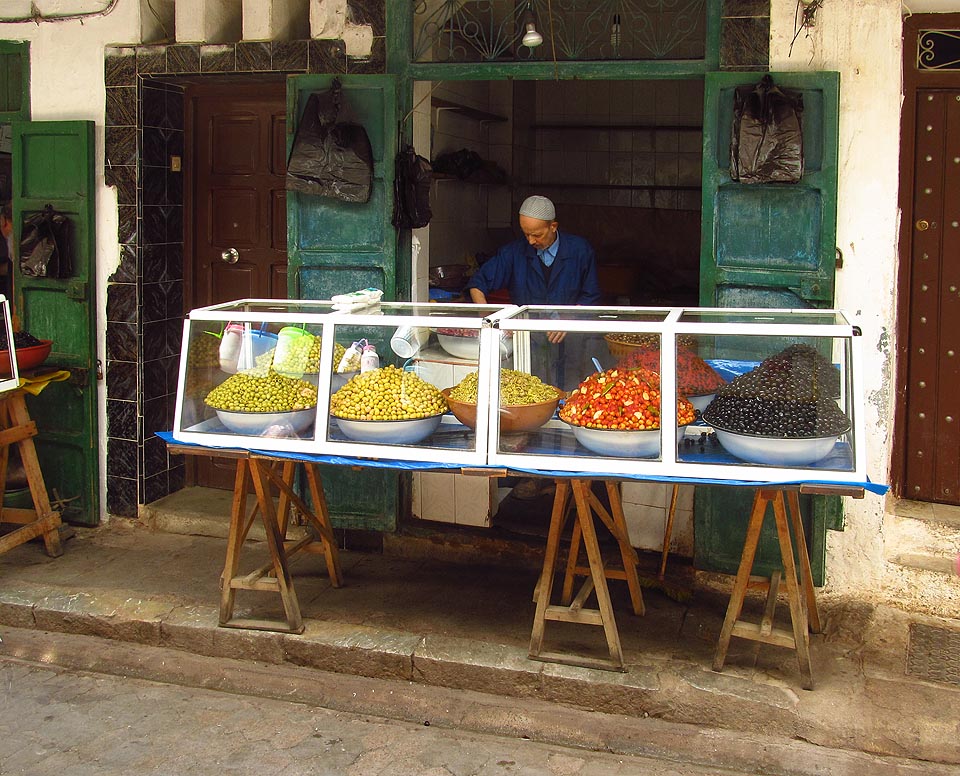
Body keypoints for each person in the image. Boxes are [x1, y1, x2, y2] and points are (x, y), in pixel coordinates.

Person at [467, 196, 601, 499]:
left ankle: (570, 477)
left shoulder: (579, 251)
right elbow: (478, 284)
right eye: (526, 234)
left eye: (537, 234)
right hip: (529, 347)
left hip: (570, 346)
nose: (531, 240)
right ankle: (535, 476)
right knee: (533, 411)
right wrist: (491, 320)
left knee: (570, 408)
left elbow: (593, 296)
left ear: (554, 227)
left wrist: (570, 318)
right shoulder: (515, 253)